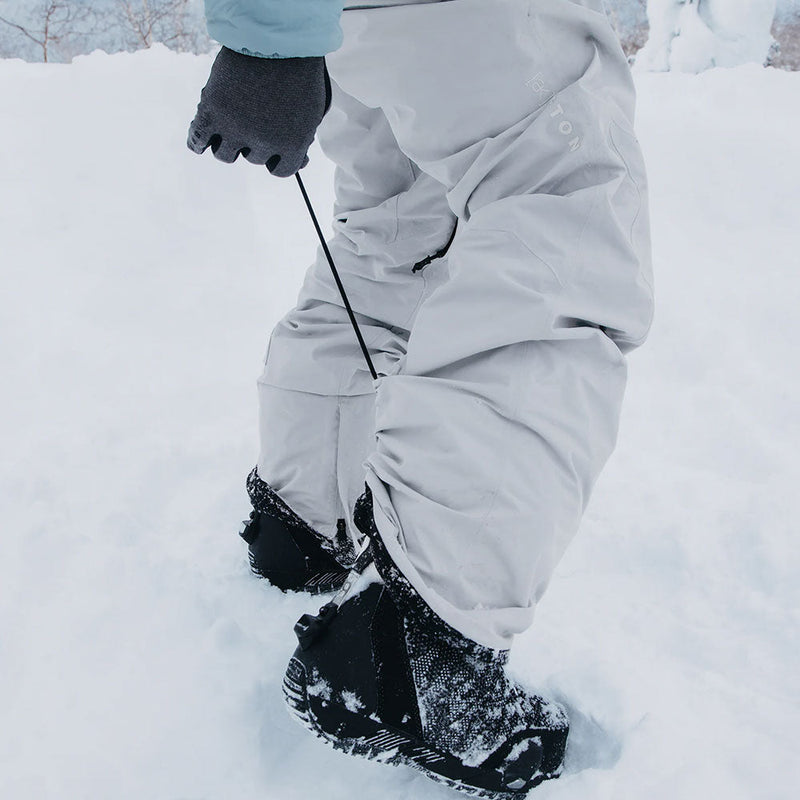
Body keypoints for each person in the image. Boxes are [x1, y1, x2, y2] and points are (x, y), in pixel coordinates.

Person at [187, 0, 654, 795]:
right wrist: (267, 39)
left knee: (400, 233)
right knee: (561, 219)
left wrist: (279, 33)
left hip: (355, 18)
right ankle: (420, 648)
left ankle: (305, 514)